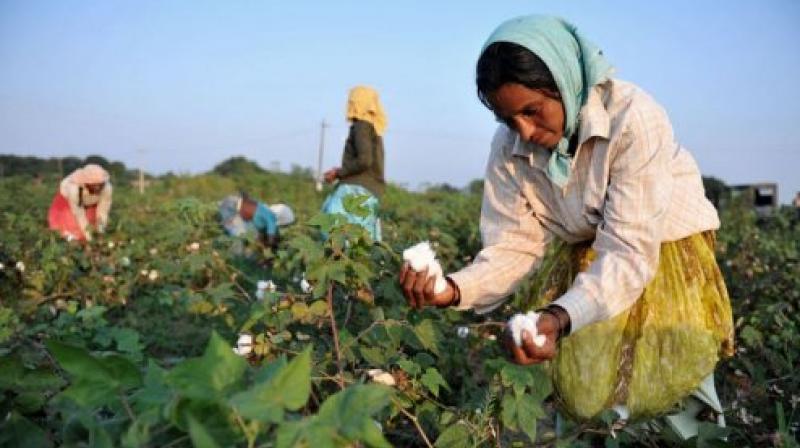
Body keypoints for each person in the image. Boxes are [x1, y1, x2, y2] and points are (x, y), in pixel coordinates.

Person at [399, 15, 734, 440]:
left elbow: (629, 252)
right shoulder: (510, 148)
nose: (524, 130)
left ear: (564, 83)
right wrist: (450, 289)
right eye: (508, 119)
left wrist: (558, 317)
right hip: (591, 256)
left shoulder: (633, 118)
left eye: (532, 111)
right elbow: (512, 245)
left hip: (659, 251)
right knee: (587, 388)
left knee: (671, 379)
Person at [322, 85, 386, 241]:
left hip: (355, 190)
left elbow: (364, 161)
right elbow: (367, 162)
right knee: (363, 241)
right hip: (372, 191)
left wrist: (338, 173)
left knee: (329, 227)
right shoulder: (375, 131)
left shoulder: (361, 127)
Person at [48, 164, 112, 242]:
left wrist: (101, 233)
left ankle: (91, 237)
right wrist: (90, 239)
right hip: (67, 203)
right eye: (94, 185)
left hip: (90, 202)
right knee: (71, 227)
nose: (97, 188)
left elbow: (102, 212)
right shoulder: (74, 189)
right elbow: (80, 215)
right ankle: (69, 239)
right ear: (86, 183)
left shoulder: (107, 188)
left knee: (93, 223)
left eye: (100, 185)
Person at [218, 193, 294, 249]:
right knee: (239, 236)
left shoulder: (266, 211)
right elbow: (270, 238)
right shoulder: (270, 220)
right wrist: (269, 245)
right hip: (233, 212)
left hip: (235, 210)